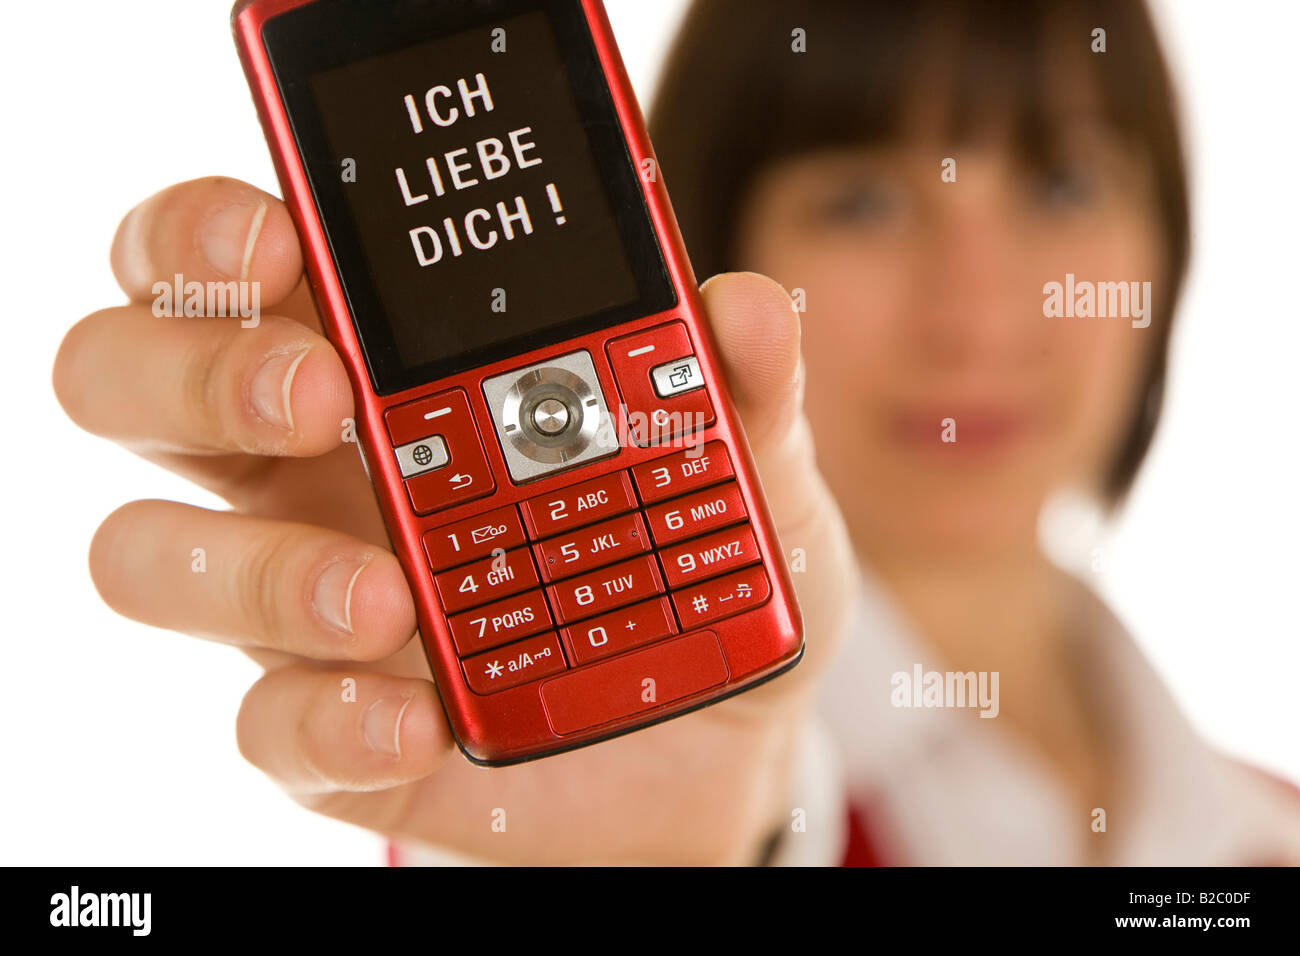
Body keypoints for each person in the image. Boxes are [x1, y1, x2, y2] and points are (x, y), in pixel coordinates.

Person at [54, 0, 1299, 865]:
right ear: (699, 237)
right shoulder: (715, 806)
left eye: (1064, 184)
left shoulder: (1262, 826)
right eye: (861, 197)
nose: (973, 311)